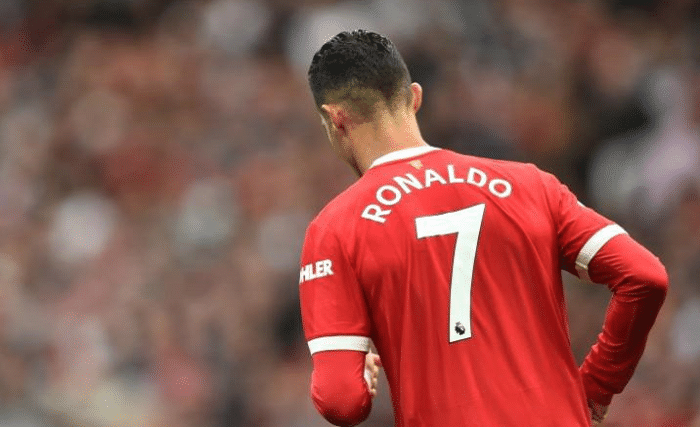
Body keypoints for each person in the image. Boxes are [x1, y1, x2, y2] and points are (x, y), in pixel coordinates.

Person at [298, 29, 668, 427]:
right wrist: (596, 386)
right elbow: (644, 276)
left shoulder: (336, 228)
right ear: (415, 98)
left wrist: (359, 377)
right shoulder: (529, 184)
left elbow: (341, 400)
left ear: (334, 119)